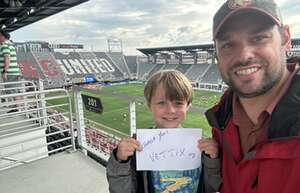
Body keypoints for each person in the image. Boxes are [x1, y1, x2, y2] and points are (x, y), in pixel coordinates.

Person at [205, 0, 300, 193]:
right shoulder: (221, 123)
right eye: (228, 44)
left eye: (258, 38)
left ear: (286, 39)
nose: (244, 55)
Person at [106, 69, 221, 193]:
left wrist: (212, 160)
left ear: (188, 106)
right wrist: (121, 161)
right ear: (149, 105)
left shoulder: (201, 146)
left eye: (178, 103)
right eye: (161, 103)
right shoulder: (137, 147)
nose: (170, 110)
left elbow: (212, 187)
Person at [0, 29, 22, 112]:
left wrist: (5, 71)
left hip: (10, 72)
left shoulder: (4, 45)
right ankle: (16, 107)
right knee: (14, 89)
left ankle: (16, 108)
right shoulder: (10, 45)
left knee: (11, 90)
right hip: (14, 71)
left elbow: (7, 58)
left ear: (3, 36)